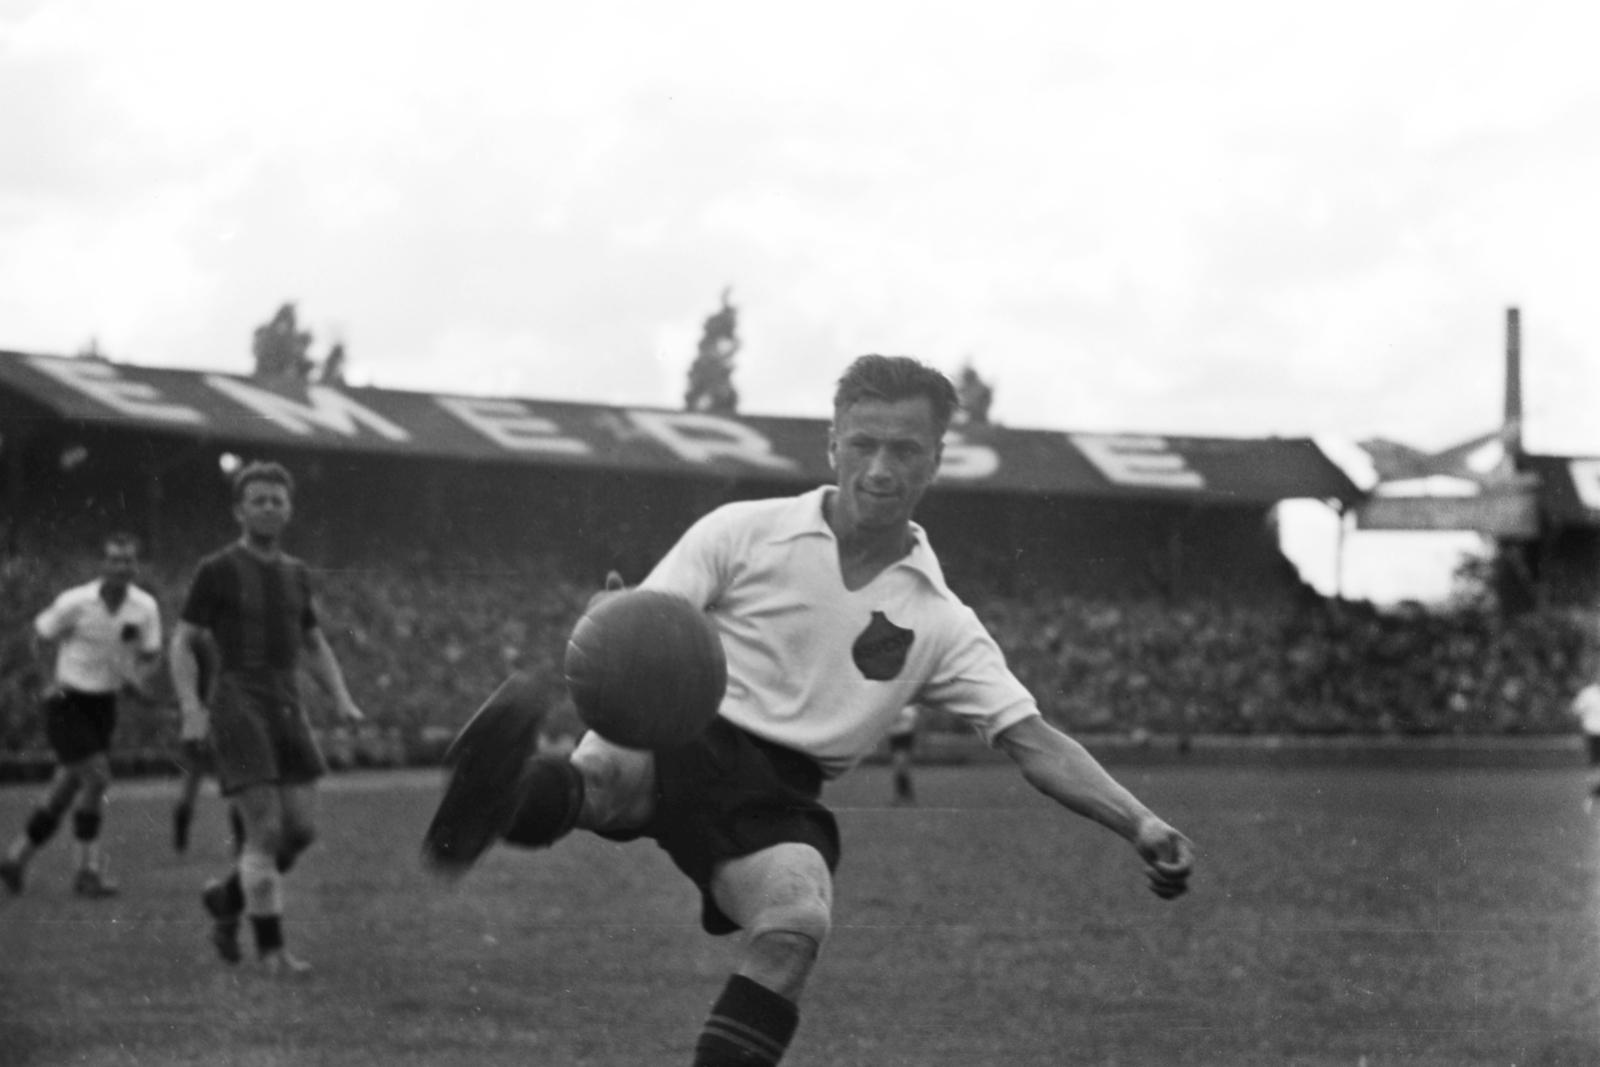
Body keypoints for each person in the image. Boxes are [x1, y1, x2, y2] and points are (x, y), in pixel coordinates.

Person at [422, 355, 1194, 1066]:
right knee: (593, 781)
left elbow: (1032, 739)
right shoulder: (742, 531)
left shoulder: (941, 619)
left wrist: (1140, 821)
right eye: (863, 443)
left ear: (936, 459)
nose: (881, 467)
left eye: (905, 449)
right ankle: (493, 797)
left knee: (797, 922)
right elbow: (640, 629)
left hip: (777, 795)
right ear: (832, 444)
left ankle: (497, 794)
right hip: (680, 726)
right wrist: (609, 621)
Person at [169, 460, 365, 975]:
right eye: (258, 499)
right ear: (239, 510)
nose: (269, 507)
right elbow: (183, 641)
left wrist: (341, 697)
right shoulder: (217, 569)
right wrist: (191, 706)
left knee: (299, 831)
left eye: (277, 500)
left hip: (286, 701)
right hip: (237, 700)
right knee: (266, 831)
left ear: (289, 509)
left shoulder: (297, 574)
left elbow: (313, 643)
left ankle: (228, 900)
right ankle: (274, 952)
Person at [0, 533, 163, 898]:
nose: (122, 567)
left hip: (104, 706)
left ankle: (15, 859)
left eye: (128, 560)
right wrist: (45, 681)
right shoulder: (75, 602)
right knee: (98, 778)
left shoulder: (145, 607)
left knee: (65, 789)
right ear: (102, 564)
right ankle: (86, 873)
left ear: (136, 565)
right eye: (115, 560)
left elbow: (151, 653)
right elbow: (38, 636)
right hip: (67, 702)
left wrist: (138, 677)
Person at [886, 704, 920, 805]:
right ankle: (906, 798)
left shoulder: (910, 709)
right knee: (900, 769)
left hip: (905, 737)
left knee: (900, 767)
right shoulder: (893, 705)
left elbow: (914, 724)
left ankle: (904, 798)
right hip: (894, 738)